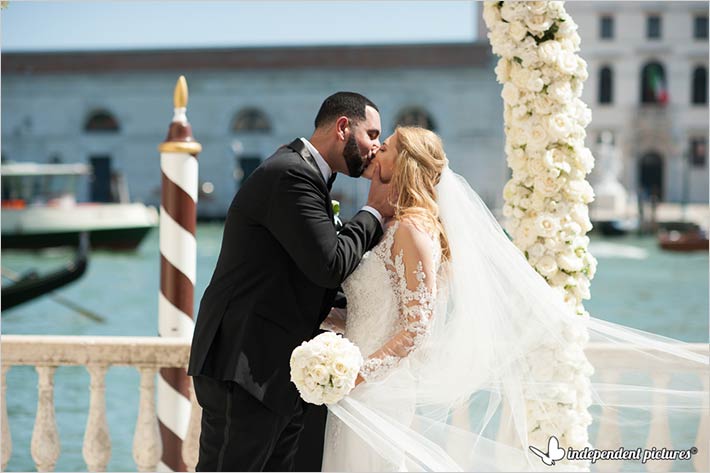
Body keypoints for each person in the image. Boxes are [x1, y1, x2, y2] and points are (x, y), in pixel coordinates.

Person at [319, 127, 709, 471]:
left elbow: (416, 327)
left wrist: (356, 374)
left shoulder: (412, 230)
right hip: (356, 379)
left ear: (404, 163)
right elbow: (377, 305)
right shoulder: (391, 225)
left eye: (384, 147)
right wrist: (330, 336)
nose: (375, 151)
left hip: (375, 386)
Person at [187, 91, 395, 471]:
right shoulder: (290, 174)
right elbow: (329, 264)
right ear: (343, 127)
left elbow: (306, 272)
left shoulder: (307, 176)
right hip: (244, 363)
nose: (376, 146)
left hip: (273, 370)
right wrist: (374, 211)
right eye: (372, 134)